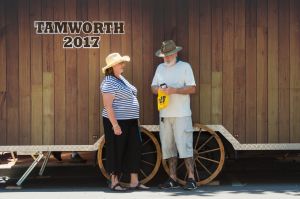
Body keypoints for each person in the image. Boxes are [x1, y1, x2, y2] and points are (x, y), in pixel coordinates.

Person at [151, 40, 197, 190]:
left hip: (182, 114)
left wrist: (174, 90)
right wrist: (160, 90)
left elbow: (192, 88)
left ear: (176, 53)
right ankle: (172, 179)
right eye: (165, 55)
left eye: (170, 54)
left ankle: (191, 179)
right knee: (169, 147)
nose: (167, 57)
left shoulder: (185, 67)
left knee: (185, 146)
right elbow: (152, 87)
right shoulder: (160, 68)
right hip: (165, 113)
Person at [100, 52, 148, 191]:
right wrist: (115, 125)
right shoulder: (109, 81)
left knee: (134, 148)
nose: (123, 65)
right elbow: (108, 106)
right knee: (116, 149)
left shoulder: (120, 78)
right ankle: (114, 182)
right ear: (113, 66)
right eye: (121, 63)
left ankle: (134, 181)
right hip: (117, 121)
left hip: (130, 121)